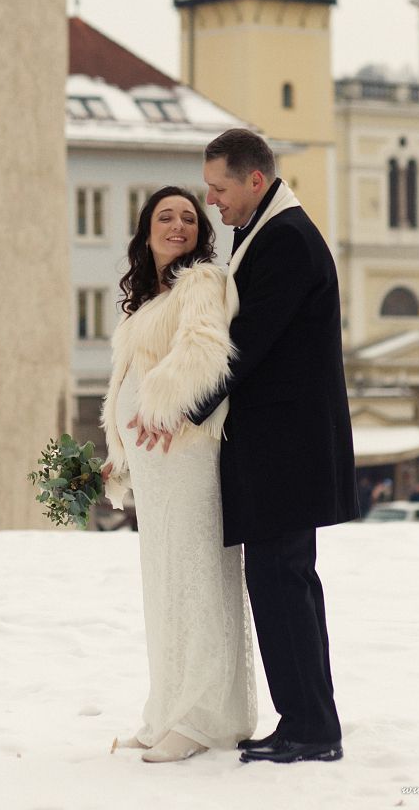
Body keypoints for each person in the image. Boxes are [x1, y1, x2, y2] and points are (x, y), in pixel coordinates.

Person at [138, 130, 359, 765]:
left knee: (283, 584)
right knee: (283, 584)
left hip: (287, 452)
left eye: (218, 188)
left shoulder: (285, 238)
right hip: (282, 449)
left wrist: (180, 408)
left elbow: (246, 345)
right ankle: (307, 720)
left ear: (255, 180)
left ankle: (311, 729)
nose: (211, 201)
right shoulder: (268, 230)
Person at [100, 186, 257, 764]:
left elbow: (204, 351)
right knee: (164, 582)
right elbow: (126, 379)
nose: (177, 225)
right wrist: (118, 449)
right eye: (165, 217)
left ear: (200, 232)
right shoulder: (148, 298)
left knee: (197, 577)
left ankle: (204, 718)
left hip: (185, 451)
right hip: (153, 461)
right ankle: (166, 710)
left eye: (189, 217)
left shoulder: (202, 283)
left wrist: (163, 406)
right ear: (146, 231)